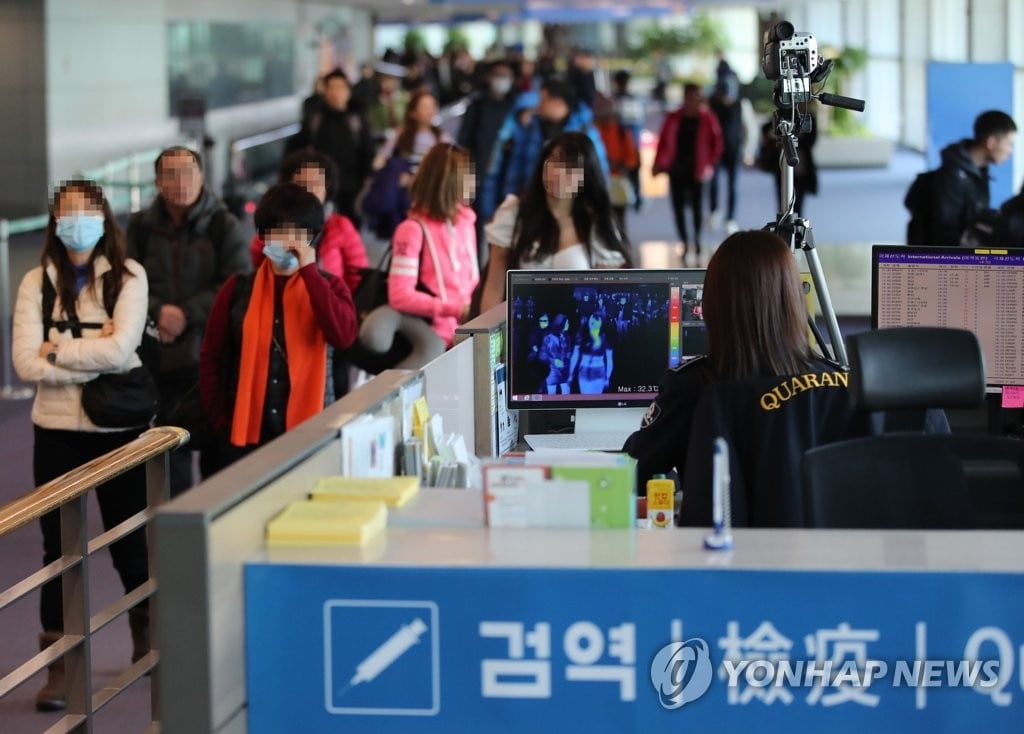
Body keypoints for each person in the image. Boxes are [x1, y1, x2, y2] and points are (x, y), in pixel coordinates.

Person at [623, 230, 948, 518]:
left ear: (711, 306)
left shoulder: (696, 388)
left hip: (740, 570)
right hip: (850, 570)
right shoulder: (843, 382)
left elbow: (629, 475)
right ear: (794, 301)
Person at [13, 180, 152, 711]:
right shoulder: (35, 282)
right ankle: (61, 669)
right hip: (55, 432)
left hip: (117, 430)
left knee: (129, 542)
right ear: (54, 220)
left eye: (86, 213)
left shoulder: (128, 277)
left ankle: (146, 631)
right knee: (59, 551)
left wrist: (59, 349)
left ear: (103, 218)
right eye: (67, 213)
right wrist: (91, 347)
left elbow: (123, 350)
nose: (77, 223)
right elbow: (25, 363)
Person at [199, 184, 358, 474]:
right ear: (263, 236)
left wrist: (310, 273)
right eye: (278, 230)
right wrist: (219, 419)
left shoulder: (329, 286)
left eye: (298, 232)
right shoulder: (237, 289)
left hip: (312, 431)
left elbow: (344, 336)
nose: (287, 241)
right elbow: (212, 355)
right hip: (246, 435)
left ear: (312, 238)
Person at [126, 146, 250, 494]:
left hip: (212, 357)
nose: (179, 181)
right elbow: (124, 281)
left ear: (201, 177)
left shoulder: (223, 224)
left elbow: (238, 283)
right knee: (167, 458)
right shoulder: (141, 227)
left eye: (187, 172)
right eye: (169, 173)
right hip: (158, 358)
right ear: (157, 182)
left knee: (219, 460)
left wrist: (185, 314)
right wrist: (158, 310)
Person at [248, 150, 368, 397]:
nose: (310, 192)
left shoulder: (340, 227)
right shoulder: (271, 236)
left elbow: (359, 278)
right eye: (302, 185)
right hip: (281, 325)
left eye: (317, 185)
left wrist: (341, 308)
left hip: (329, 323)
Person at [479, 132, 632, 313]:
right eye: (554, 162)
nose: (559, 173)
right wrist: (488, 336)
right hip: (522, 328)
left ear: (585, 176)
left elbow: (607, 299)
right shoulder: (514, 213)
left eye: (570, 167)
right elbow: (494, 288)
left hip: (577, 331)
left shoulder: (595, 224)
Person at [359, 142, 479, 363]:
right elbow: (401, 296)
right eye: (468, 174)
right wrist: (456, 310)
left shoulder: (466, 222)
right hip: (436, 335)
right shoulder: (412, 230)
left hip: (469, 334)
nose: (474, 181)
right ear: (448, 181)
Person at [494, 78, 610, 207]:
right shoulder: (532, 128)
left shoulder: (585, 131)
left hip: (571, 208)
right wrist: (510, 199)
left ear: (558, 102)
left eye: (543, 100)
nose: (539, 106)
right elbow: (516, 165)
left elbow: (599, 171)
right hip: (533, 204)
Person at [908, 110, 1017, 246]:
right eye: (1009, 144)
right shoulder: (952, 177)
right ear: (991, 142)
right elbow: (946, 235)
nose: (1010, 151)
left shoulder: (978, 171)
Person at [288, 69, 376, 225]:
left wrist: (365, 179)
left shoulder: (357, 119)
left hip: (351, 186)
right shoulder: (316, 118)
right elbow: (295, 147)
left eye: (341, 88)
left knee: (349, 228)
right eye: (332, 87)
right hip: (319, 186)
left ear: (349, 92)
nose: (336, 93)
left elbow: (367, 150)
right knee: (318, 228)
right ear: (325, 91)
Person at [366, 91, 453, 239]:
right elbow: (379, 160)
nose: (429, 111)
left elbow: (453, 165)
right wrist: (392, 175)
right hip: (403, 198)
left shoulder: (442, 138)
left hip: (430, 197)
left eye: (432, 106)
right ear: (413, 112)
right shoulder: (401, 135)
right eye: (424, 106)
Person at [653, 83, 724, 261]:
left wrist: (709, 163)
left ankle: (698, 241)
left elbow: (717, 143)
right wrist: (659, 163)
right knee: (678, 208)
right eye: (689, 96)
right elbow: (663, 141)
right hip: (676, 169)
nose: (692, 100)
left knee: (698, 208)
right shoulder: (674, 117)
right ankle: (685, 242)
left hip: (698, 170)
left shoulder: (707, 117)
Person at [458, 60, 519, 258]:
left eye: (506, 76)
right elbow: (464, 140)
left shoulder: (515, 107)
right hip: (480, 174)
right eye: (498, 75)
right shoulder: (477, 105)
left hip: (507, 176)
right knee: (475, 223)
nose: (502, 80)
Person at [593, 94, 640, 235]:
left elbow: (631, 159)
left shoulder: (621, 131)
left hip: (618, 181)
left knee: (619, 220)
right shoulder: (594, 130)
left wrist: (618, 165)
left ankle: (620, 246)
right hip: (599, 182)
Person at [708, 79, 743, 234]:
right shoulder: (713, 107)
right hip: (716, 151)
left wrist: (747, 150)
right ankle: (714, 210)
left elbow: (747, 128)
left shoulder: (739, 105)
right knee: (713, 182)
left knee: (733, 185)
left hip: (734, 150)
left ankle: (730, 218)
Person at [611, 70, 645, 211]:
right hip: (632, 142)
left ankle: (630, 197)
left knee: (623, 172)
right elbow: (639, 122)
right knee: (633, 171)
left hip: (621, 143)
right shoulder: (634, 100)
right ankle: (636, 198)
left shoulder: (613, 101)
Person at [570, 310, 614, 393]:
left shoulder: (606, 339)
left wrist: (608, 377)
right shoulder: (581, 336)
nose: (593, 322)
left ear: (601, 323)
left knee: (596, 399)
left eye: (597, 320)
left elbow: (609, 360)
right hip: (584, 372)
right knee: (586, 398)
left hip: (599, 372)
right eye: (592, 319)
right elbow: (574, 357)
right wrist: (570, 373)